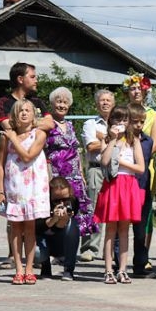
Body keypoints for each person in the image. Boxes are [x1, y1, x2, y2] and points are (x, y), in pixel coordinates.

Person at [0, 62, 54, 271]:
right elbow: (8, 128)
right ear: (20, 79)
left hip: (34, 172)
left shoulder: (37, 101)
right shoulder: (2, 102)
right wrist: (31, 123)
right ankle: (14, 257)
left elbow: (50, 124)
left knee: (31, 218)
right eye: (32, 76)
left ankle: (31, 261)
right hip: (14, 173)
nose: (36, 80)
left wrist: (30, 123)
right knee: (14, 219)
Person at [93, 105, 145, 284]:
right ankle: (108, 270)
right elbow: (105, 161)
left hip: (128, 184)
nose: (121, 123)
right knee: (110, 230)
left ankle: (123, 269)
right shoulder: (107, 140)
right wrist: (113, 141)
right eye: (117, 119)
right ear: (111, 121)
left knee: (124, 230)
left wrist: (121, 161)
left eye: (124, 120)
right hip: (112, 185)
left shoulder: (134, 140)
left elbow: (140, 168)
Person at [45, 87, 98, 238]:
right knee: (57, 207)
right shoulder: (48, 124)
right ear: (52, 103)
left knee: (74, 208)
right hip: (56, 173)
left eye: (65, 102)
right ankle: (56, 246)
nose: (62, 105)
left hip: (74, 173)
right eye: (59, 101)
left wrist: (80, 173)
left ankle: (71, 245)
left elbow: (75, 150)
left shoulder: (70, 125)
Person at [124, 71, 156, 271]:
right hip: (123, 172)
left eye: (139, 88)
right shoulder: (121, 112)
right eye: (132, 88)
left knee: (143, 218)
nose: (136, 91)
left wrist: (136, 154)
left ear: (145, 90)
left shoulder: (153, 115)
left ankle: (142, 257)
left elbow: (154, 144)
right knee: (121, 218)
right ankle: (117, 258)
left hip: (144, 170)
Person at [80, 89, 115, 262]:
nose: (105, 103)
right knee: (92, 209)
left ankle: (110, 250)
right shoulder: (90, 123)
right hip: (96, 168)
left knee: (115, 209)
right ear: (97, 104)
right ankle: (89, 248)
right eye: (102, 100)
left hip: (116, 170)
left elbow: (124, 144)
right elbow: (91, 146)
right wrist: (111, 138)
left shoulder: (120, 122)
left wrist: (102, 138)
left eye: (108, 100)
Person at [128, 103, 155, 278]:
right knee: (119, 228)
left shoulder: (148, 141)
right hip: (124, 187)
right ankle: (117, 264)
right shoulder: (124, 140)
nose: (139, 125)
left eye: (142, 122)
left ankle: (140, 264)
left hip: (142, 187)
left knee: (140, 230)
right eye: (135, 121)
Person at [36, 177, 80, 281]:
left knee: (72, 225)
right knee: (36, 251)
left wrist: (63, 220)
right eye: (56, 200)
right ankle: (45, 269)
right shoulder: (42, 204)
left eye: (65, 199)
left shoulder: (73, 201)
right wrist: (53, 219)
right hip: (45, 240)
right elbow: (38, 228)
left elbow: (63, 228)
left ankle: (68, 270)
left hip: (62, 241)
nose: (61, 203)